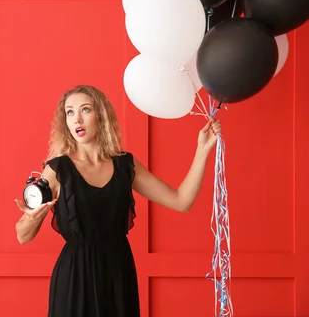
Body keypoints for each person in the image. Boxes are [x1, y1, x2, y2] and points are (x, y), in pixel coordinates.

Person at [14, 85, 221, 317]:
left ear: (101, 116)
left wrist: (202, 151)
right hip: (75, 276)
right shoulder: (56, 169)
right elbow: (22, 236)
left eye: (85, 109)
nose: (77, 119)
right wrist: (32, 219)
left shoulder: (126, 165)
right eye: (70, 112)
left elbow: (181, 201)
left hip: (118, 274)